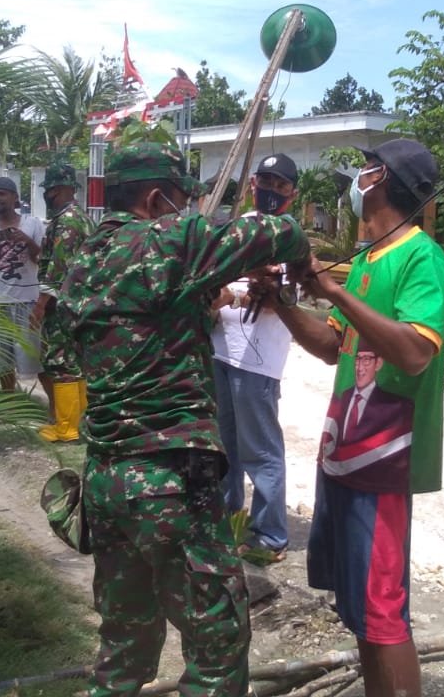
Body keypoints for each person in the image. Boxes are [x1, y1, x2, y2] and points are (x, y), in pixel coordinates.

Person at [59, 142, 310, 697]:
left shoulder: (82, 260)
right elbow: (282, 232)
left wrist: (197, 298)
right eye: (181, 201)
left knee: (124, 644)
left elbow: (128, 324)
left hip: (104, 482)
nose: (186, 211)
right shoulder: (171, 240)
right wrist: (303, 265)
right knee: (217, 647)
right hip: (169, 485)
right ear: (154, 197)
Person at [271, 138, 444, 697]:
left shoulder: (422, 256)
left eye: (364, 170)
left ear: (379, 182)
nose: (356, 179)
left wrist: (332, 290)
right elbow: (333, 346)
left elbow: (416, 352)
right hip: (345, 452)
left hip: (386, 457)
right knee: (361, 610)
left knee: (382, 608)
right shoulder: (370, 258)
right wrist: (282, 302)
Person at [210, 153, 299, 563]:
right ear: (252, 185)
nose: (271, 191)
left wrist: (249, 292)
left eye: (280, 186)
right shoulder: (234, 230)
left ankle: (269, 534)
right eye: (266, 181)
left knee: (259, 448)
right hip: (220, 349)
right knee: (223, 443)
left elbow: (288, 299)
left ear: (292, 194)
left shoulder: (291, 238)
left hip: (258, 360)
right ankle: (229, 519)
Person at [32, 162, 95, 442]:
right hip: (78, 303)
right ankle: (77, 425)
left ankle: (67, 428)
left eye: (51, 190)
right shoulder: (77, 217)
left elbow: (59, 268)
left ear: (59, 189)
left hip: (64, 304)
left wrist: (40, 303)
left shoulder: (68, 221)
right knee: (73, 363)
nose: (48, 195)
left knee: (60, 362)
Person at [0, 176, 47, 393]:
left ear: (15, 198)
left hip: (27, 301)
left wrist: (27, 241)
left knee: (34, 356)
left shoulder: (33, 224)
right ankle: (9, 400)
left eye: (2, 194)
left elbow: (42, 259)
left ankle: (54, 409)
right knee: (1, 357)